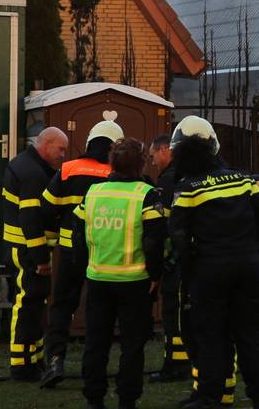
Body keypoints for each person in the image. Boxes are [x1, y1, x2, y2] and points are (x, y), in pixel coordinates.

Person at [169, 116, 259, 409]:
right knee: (249, 336)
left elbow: (178, 234)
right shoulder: (244, 180)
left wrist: (188, 268)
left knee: (212, 336)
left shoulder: (188, 188)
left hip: (210, 269)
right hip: (249, 267)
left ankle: (209, 397)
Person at [74, 138, 165, 409]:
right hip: (135, 282)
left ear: (112, 162)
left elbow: (77, 237)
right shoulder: (147, 194)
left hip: (98, 279)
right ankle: (127, 399)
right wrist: (155, 275)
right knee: (132, 345)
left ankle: (94, 398)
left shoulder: (93, 193)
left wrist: (84, 270)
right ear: (139, 164)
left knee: (96, 342)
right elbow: (154, 241)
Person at [39, 119, 123, 388]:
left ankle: (55, 361)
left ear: (89, 142)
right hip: (104, 252)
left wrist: (50, 244)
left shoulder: (67, 170)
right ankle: (96, 365)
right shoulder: (115, 174)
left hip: (70, 251)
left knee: (63, 305)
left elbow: (47, 207)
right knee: (99, 309)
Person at [2, 126, 68, 380]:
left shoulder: (29, 166)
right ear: (46, 144)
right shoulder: (31, 174)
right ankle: (21, 365)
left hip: (27, 248)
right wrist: (41, 258)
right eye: (60, 149)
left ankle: (35, 358)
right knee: (27, 304)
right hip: (28, 251)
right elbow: (30, 218)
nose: (63, 154)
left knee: (36, 303)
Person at [148, 134, 192, 384]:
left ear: (165, 149)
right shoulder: (184, 176)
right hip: (186, 258)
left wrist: (161, 264)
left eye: (153, 156)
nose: (153, 162)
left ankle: (175, 366)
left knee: (172, 315)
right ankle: (179, 362)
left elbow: (161, 228)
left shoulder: (169, 181)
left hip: (175, 261)